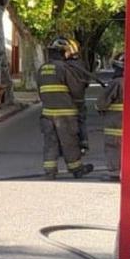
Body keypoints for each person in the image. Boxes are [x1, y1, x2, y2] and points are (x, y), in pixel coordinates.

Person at [36, 37, 93, 179]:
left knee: (50, 142)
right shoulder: (64, 68)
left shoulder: (42, 69)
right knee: (70, 142)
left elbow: (40, 91)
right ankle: (76, 169)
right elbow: (76, 90)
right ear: (64, 52)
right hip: (66, 114)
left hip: (47, 113)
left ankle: (50, 171)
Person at [96, 53, 128, 179]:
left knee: (113, 146)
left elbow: (102, 102)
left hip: (115, 121)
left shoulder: (116, 83)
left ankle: (115, 172)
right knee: (124, 146)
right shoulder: (129, 81)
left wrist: (99, 107)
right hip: (125, 122)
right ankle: (125, 170)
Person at [65, 39, 92, 157]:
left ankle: (69, 146)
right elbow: (87, 82)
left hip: (68, 99)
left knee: (67, 122)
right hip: (80, 98)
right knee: (81, 121)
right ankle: (84, 143)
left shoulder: (64, 66)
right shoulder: (82, 64)